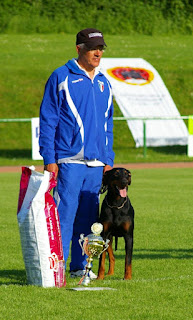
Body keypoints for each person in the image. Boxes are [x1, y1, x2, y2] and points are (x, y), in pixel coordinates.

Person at [39, 28, 115, 279]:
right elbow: (48, 120)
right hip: (69, 161)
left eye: (101, 48)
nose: (98, 53)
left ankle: (80, 267)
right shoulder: (61, 76)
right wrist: (49, 158)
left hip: (96, 164)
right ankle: (55, 269)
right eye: (93, 48)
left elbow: (108, 124)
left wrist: (108, 159)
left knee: (88, 220)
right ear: (79, 49)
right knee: (64, 216)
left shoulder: (104, 82)